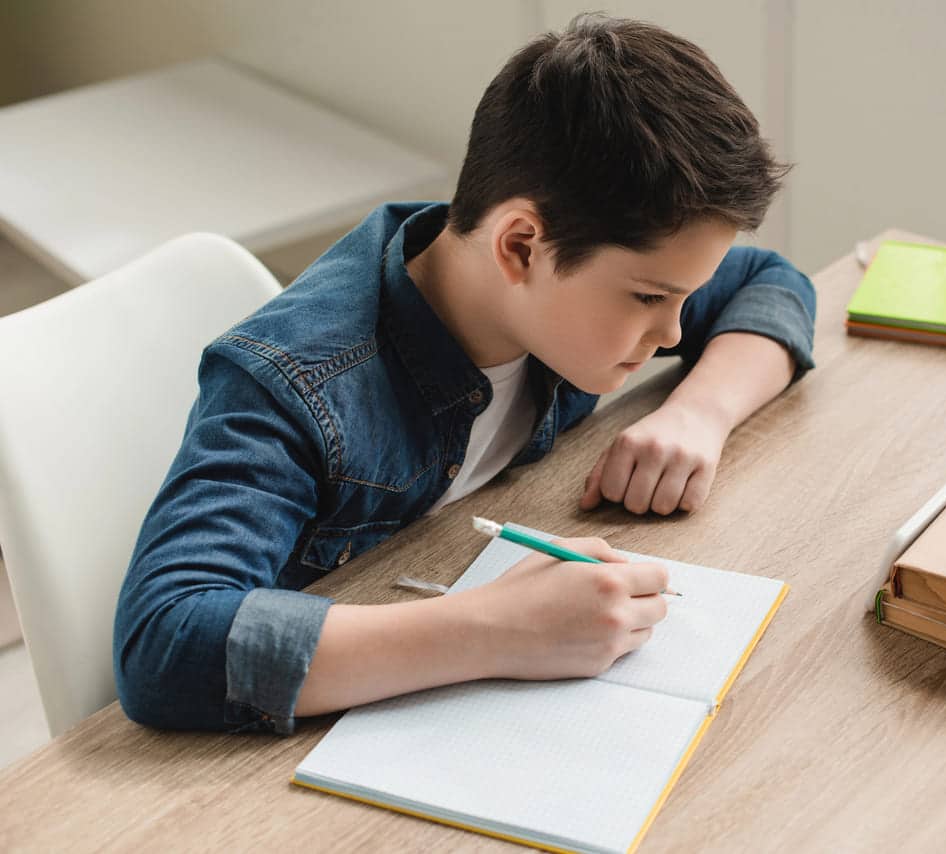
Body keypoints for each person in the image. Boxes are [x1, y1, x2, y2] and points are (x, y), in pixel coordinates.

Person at [114, 14, 816, 733]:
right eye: (649, 298)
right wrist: (495, 629)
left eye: (685, 298)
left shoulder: (558, 281)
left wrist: (697, 412)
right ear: (519, 245)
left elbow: (770, 283)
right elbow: (163, 643)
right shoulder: (296, 387)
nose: (671, 330)